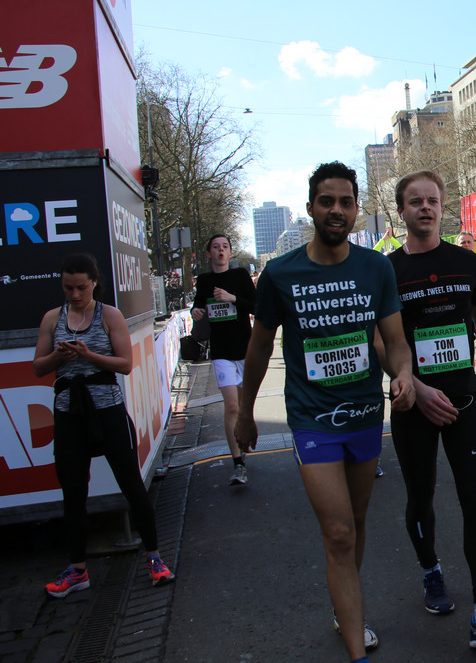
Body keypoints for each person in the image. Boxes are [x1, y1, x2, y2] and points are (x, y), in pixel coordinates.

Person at [235, 161, 416, 663]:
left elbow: (395, 341)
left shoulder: (376, 268)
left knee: (354, 521)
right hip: (312, 419)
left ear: (356, 210)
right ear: (311, 207)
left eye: (345, 202)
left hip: (365, 415)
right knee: (337, 532)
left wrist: (403, 373)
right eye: (327, 201)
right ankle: (357, 651)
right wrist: (245, 413)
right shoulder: (281, 273)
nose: (336, 210)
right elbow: (258, 346)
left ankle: (345, 608)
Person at [382, 171, 476, 652]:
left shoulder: (465, 261)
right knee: (420, 497)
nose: (426, 207)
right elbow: (381, 340)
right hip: (413, 403)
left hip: (463, 400)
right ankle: (431, 571)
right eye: (415, 201)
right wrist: (416, 387)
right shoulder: (388, 270)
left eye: (433, 200)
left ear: (443, 207)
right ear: (401, 210)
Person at [34, 253, 175, 598]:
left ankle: (155, 558)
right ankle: (77, 570)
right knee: (73, 493)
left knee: (131, 485)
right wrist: (58, 356)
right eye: (68, 288)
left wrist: (88, 355)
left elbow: (125, 364)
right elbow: (38, 367)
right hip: (69, 412)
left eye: (81, 287)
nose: (75, 294)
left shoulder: (109, 315)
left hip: (108, 410)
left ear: (94, 283)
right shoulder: (52, 318)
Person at [191, 234, 256, 485]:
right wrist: (195, 311)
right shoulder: (204, 281)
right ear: (208, 254)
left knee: (243, 408)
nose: (220, 251)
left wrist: (233, 298)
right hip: (221, 353)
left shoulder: (240, 276)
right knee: (231, 407)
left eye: (225, 247)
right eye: (216, 247)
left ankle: (243, 438)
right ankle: (238, 464)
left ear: (230, 253)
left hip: (245, 349)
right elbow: (198, 306)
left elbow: (256, 306)